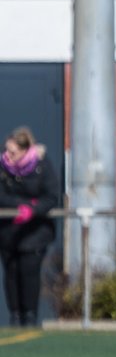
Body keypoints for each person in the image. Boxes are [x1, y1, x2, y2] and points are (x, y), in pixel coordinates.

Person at [0, 128, 59, 327]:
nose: (7, 155)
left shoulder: (42, 166)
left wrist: (33, 209)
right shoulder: (2, 168)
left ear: (26, 150)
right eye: (6, 151)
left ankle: (30, 317)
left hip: (35, 233)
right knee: (11, 273)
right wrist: (20, 205)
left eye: (13, 152)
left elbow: (51, 197)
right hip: (8, 232)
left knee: (29, 272)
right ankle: (15, 316)